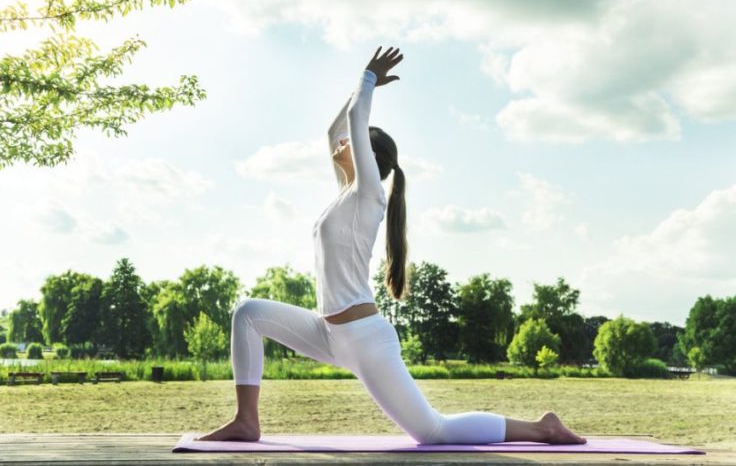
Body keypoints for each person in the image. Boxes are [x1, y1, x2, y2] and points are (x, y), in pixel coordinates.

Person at [196, 46, 587, 445]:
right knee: (248, 313)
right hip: (328, 333)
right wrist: (358, 91)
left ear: (368, 156)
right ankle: (247, 421)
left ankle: (543, 428)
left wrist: (367, 79)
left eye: (353, 142)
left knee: (434, 431)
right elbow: (335, 131)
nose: (341, 144)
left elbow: (354, 118)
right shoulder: (345, 196)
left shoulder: (369, 195)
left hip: (365, 339)